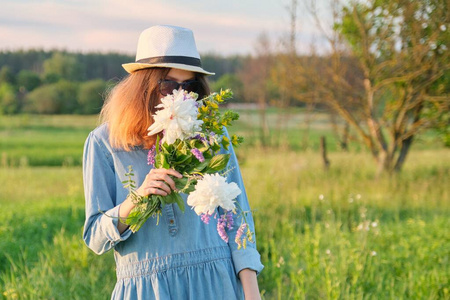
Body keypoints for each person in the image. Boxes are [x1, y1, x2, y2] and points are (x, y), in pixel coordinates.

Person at [82, 25, 264, 300]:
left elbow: (239, 216)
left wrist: (252, 294)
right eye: (167, 85)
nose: (180, 95)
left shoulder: (212, 134)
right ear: (142, 86)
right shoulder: (105, 143)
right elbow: (95, 237)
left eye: (189, 85)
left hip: (215, 283)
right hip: (147, 290)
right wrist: (137, 198)